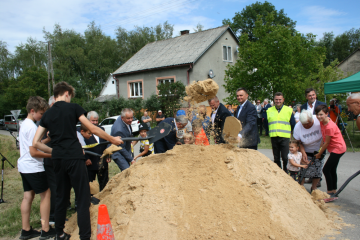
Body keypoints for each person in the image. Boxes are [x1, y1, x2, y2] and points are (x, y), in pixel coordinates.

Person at [32, 81, 122, 240]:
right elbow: (93, 128)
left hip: (58, 160)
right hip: (74, 157)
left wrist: (55, 151)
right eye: (69, 96)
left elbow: (36, 143)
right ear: (67, 93)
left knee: (61, 196)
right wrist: (112, 140)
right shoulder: (73, 107)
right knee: (82, 197)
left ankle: (59, 234)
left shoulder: (48, 114)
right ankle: (85, 236)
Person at [18, 96, 56, 240]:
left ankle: (26, 230)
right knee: (46, 195)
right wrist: (52, 155)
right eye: (41, 113)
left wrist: (47, 140)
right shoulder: (32, 126)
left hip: (24, 166)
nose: (42, 116)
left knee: (28, 196)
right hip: (34, 167)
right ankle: (46, 229)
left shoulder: (25, 124)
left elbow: (35, 143)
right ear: (33, 111)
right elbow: (34, 152)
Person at [314, 105, 346, 195]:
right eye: (317, 114)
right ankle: (334, 191)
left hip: (338, 148)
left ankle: (330, 192)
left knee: (326, 169)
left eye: (321, 114)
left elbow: (326, 143)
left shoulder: (329, 126)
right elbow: (323, 139)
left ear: (327, 114)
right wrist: (319, 150)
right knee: (332, 169)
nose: (319, 116)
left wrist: (320, 153)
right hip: (333, 148)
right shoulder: (322, 122)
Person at [293, 110, 325, 191]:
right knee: (303, 169)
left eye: (308, 123)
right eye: (304, 124)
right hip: (305, 149)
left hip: (319, 149)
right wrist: (303, 153)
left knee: (317, 170)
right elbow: (298, 143)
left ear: (312, 120)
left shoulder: (318, 120)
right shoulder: (298, 127)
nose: (306, 126)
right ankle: (301, 187)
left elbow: (326, 135)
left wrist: (320, 151)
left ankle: (314, 188)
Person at [267, 92, 295, 171]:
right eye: (276, 99)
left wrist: (290, 133)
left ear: (283, 100)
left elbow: (293, 123)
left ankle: (286, 173)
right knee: (276, 158)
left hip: (284, 137)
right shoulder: (269, 110)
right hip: (274, 136)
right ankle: (279, 174)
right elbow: (266, 123)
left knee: (285, 158)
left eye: (280, 99)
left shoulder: (289, 110)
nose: (278, 101)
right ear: (274, 100)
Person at [82, 111, 109, 191]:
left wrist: (108, 155)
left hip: (102, 161)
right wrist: (86, 158)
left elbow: (105, 144)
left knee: (104, 183)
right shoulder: (83, 131)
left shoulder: (101, 129)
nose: (95, 122)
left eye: (96, 120)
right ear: (87, 120)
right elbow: (81, 146)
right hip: (90, 162)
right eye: (93, 121)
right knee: (90, 184)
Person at [43, 96, 56, 225]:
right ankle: (52, 216)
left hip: (57, 159)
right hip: (50, 159)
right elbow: (39, 143)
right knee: (53, 188)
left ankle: (56, 214)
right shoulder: (46, 120)